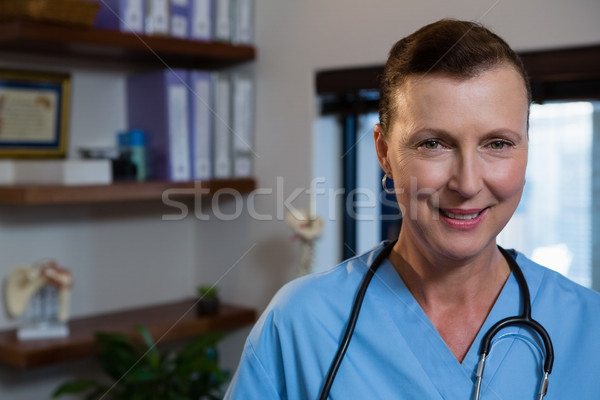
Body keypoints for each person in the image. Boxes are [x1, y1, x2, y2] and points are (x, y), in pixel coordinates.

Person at [224, 19, 600, 399]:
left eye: (498, 144)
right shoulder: (299, 325)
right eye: (433, 144)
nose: (467, 184)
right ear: (384, 153)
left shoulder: (589, 327)